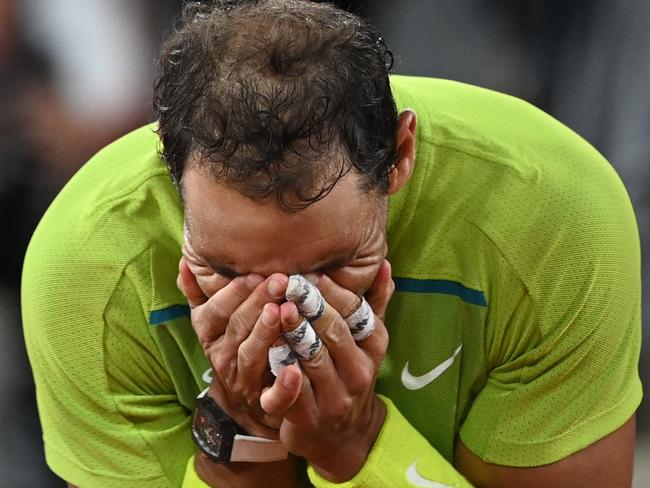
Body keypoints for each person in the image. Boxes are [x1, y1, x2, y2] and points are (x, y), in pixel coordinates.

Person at [22, 1, 642, 487]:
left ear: (400, 158)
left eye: (334, 264)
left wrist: (356, 445)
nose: (283, 316)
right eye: (222, 268)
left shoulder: (551, 218)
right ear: (168, 170)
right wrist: (241, 433)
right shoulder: (89, 264)